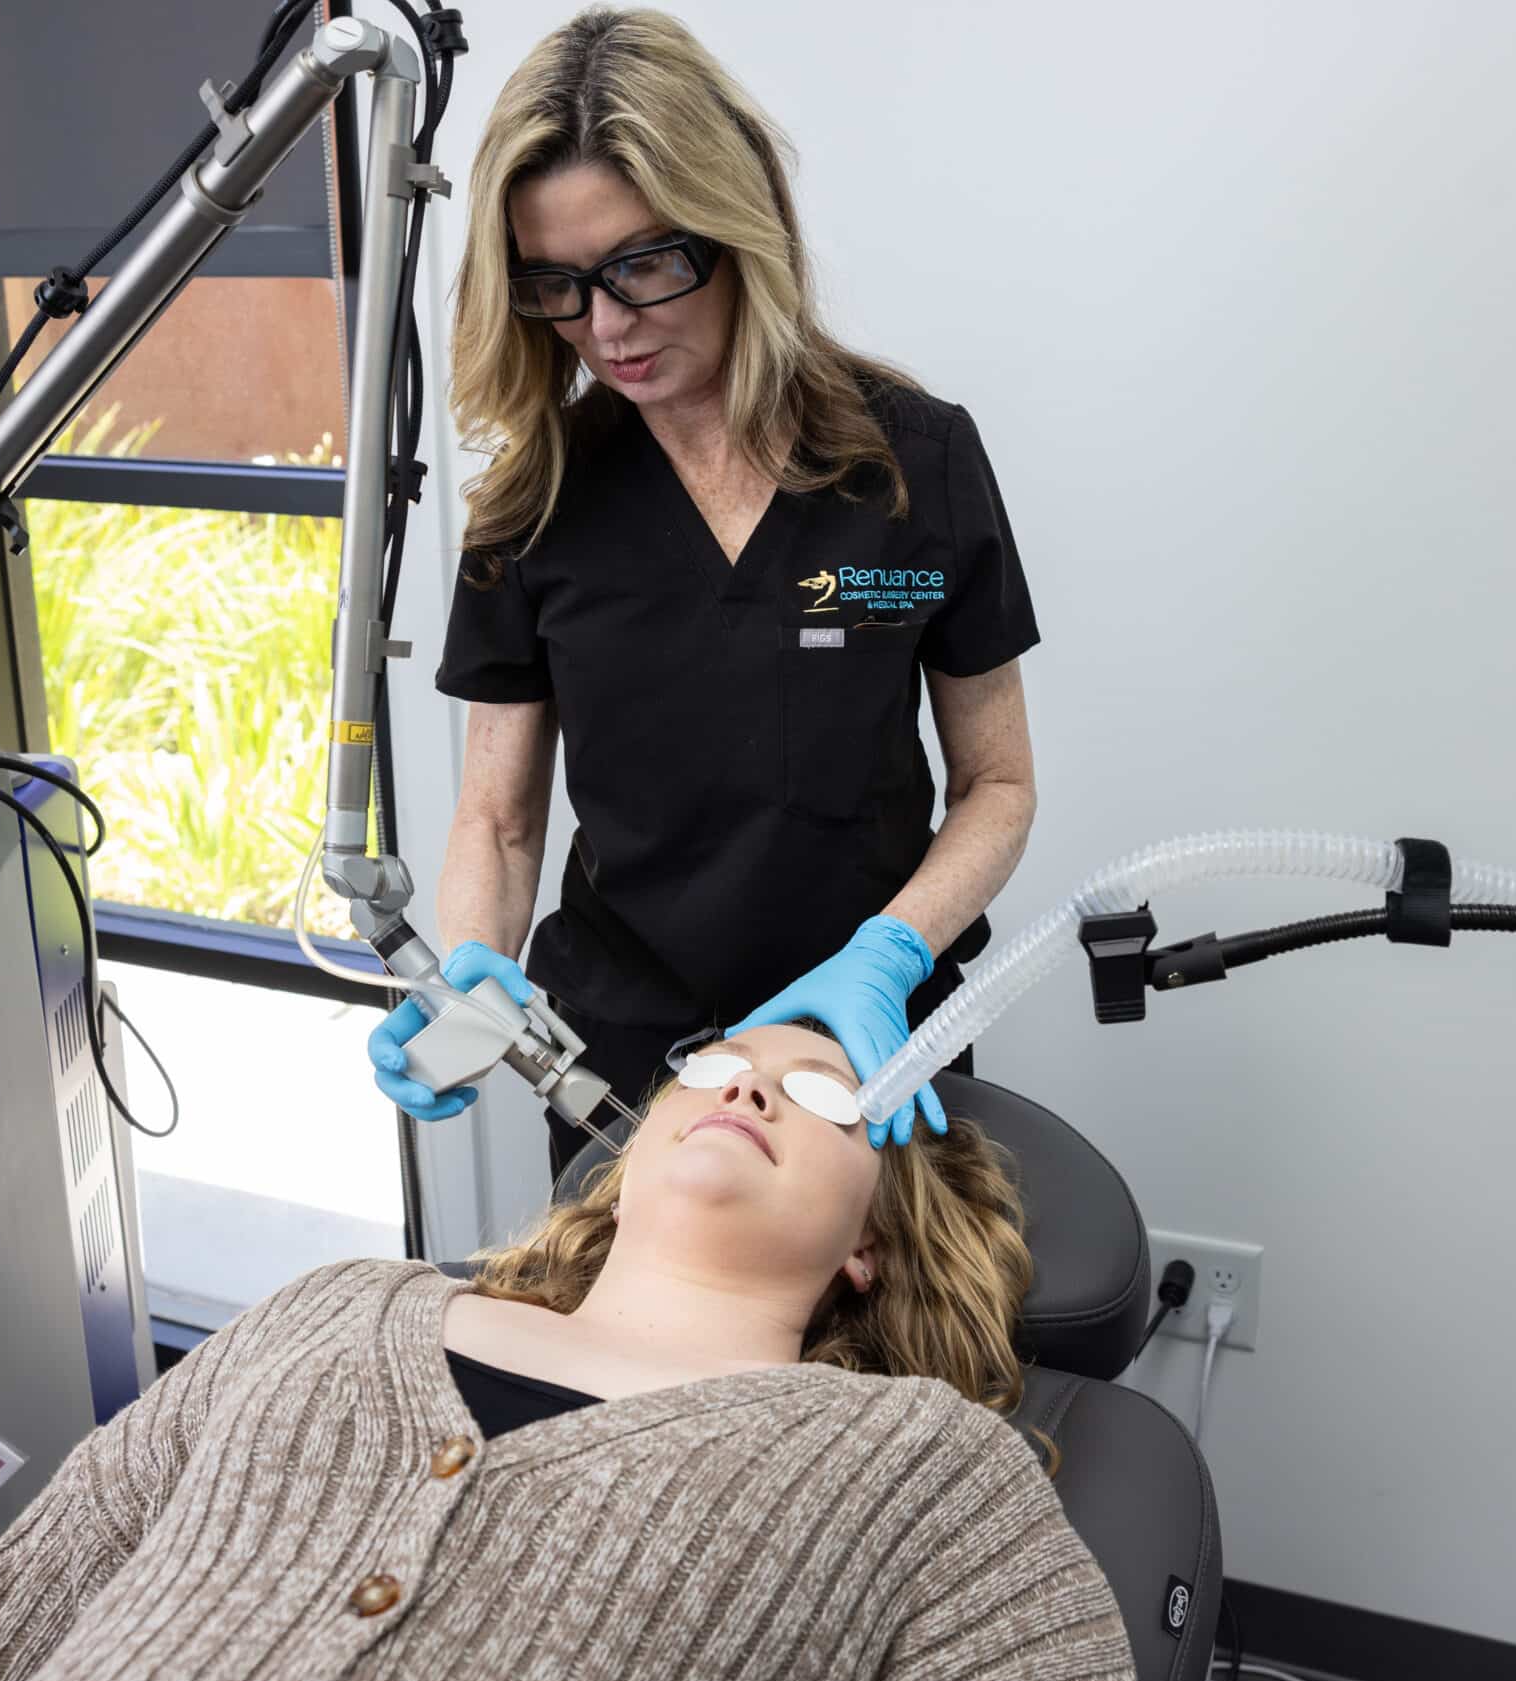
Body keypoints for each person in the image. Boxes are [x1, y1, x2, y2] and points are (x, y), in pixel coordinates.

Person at [0, 1023, 1136, 1681]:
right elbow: (23, 1600)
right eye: (723, 1061)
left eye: (826, 1092)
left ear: (871, 1241)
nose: (749, 1087)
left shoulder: (915, 1467)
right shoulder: (339, 1306)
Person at [368, 7, 1041, 1171]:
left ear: (742, 230)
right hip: (623, 1064)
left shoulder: (913, 459)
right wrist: (470, 968)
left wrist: (888, 957)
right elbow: (499, 814)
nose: (607, 328)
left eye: (642, 266)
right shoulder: (535, 499)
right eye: (557, 286)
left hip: (863, 1045)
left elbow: (997, 783)